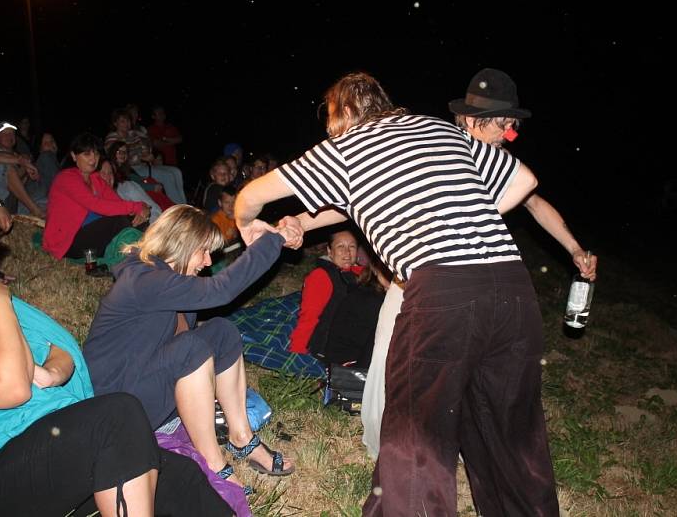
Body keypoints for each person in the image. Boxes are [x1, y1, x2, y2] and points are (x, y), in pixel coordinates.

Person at [235, 71, 558, 516]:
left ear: (344, 112)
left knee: (416, 435)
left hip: (443, 292)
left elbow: (253, 194)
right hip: (512, 289)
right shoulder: (438, 129)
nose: (330, 129)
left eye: (330, 119)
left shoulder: (347, 145)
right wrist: (300, 225)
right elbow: (523, 180)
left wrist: (245, 224)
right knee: (509, 430)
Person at [360, 68, 600, 461]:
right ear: (473, 120)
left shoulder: (498, 161)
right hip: (418, 282)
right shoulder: (433, 148)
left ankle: (439, 446)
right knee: (395, 363)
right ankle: (393, 449)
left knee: (457, 372)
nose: (510, 134)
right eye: (504, 125)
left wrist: (574, 248)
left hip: (465, 289)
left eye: (512, 125)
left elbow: (535, 201)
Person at [0, 203, 233, 517]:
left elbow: (57, 349)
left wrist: (51, 373)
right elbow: (13, 390)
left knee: (178, 477)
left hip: (41, 440)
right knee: (117, 417)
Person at [83, 205, 298, 495]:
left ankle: (241, 436)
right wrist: (273, 241)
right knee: (191, 348)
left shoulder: (167, 278)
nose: (208, 262)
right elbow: (221, 290)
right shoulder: (144, 280)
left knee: (222, 331)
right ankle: (212, 462)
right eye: (203, 251)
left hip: (141, 380)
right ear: (181, 245)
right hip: (118, 405)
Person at [42, 133, 149, 261]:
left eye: (96, 154)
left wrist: (142, 209)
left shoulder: (96, 180)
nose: (93, 160)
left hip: (94, 233)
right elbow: (97, 205)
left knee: (137, 219)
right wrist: (137, 206)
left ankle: (133, 255)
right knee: (119, 221)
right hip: (68, 240)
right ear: (74, 156)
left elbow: (118, 203)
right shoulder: (66, 178)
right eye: (87, 154)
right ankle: (132, 256)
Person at [289, 229, 382, 367]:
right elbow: (309, 317)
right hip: (328, 347)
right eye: (340, 247)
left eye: (352, 247)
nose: (347, 252)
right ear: (329, 251)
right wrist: (297, 353)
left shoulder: (359, 273)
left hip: (354, 338)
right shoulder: (321, 277)